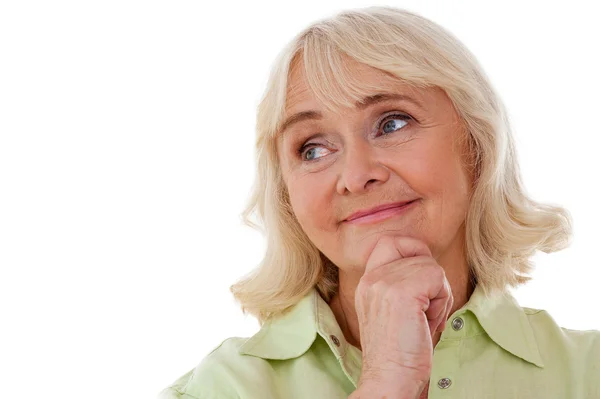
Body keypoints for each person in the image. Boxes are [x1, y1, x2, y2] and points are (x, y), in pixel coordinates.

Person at [158, 6, 600, 399]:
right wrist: (388, 381)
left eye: (392, 123)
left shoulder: (589, 373)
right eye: (313, 149)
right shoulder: (217, 389)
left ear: (477, 144)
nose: (355, 176)